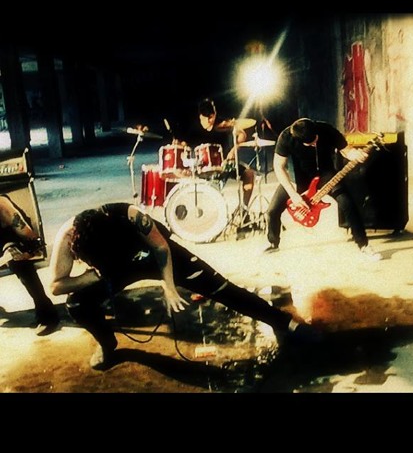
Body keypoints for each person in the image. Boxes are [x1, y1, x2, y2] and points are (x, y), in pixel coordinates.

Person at [47, 202, 321, 371]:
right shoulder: (68, 237)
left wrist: (168, 284)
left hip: (153, 254)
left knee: (221, 288)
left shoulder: (130, 216)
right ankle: (108, 344)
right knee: (78, 304)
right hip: (111, 270)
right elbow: (56, 286)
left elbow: (161, 248)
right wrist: (94, 275)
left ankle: (284, 323)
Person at [263, 117, 382, 260]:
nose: (314, 144)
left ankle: (363, 245)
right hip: (300, 178)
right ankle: (273, 243)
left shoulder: (327, 129)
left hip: (326, 175)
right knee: (272, 211)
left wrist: (355, 155)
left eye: (316, 140)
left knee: (347, 203)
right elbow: (278, 166)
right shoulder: (286, 137)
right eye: (310, 144)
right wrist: (293, 194)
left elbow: (346, 151)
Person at [0, 194, 60, 335]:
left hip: (12, 241)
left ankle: (47, 313)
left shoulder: (1, 205)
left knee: (16, 259)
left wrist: (29, 251)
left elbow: (30, 236)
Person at [190, 98, 255, 209]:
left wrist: (234, 150)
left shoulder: (223, 124)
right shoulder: (196, 130)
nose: (201, 122)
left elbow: (242, 134)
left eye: (203, 119)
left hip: (225, 164)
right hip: (203, 167)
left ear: (212, 117)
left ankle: (243, 209)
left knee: (249, 174)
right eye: (200, 119)